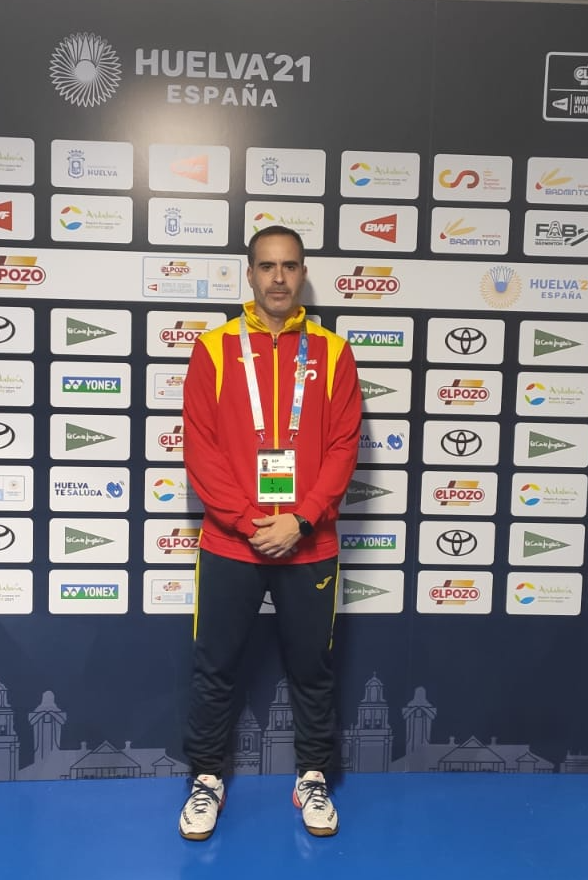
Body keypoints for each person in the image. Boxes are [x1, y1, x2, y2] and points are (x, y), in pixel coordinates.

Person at [179, 225, 362, 841]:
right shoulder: (213, 349)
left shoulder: (333, 353)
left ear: (302, 272)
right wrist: (248, 522)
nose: (278, 278)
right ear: (250, 274)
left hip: (310, 543)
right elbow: (200, 447)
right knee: (216, 667)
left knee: (312, 669)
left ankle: (312, 777)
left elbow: (342, 447)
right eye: (267, 266)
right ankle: (206, 779)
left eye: (289, 266)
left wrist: (300, 519)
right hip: (232, 541)